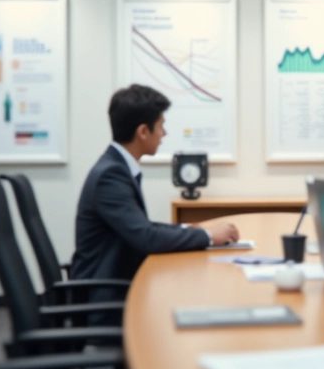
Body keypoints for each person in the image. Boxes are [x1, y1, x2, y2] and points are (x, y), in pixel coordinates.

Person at [70, 84, 238, 324]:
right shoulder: (111, 176)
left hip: (118, 283)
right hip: (106, 299)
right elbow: (146, 236)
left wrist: (191, 229)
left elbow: (142, 227)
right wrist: (208, 236)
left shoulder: (116, 167)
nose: (164, 133)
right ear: (142, 131)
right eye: (161, 126)